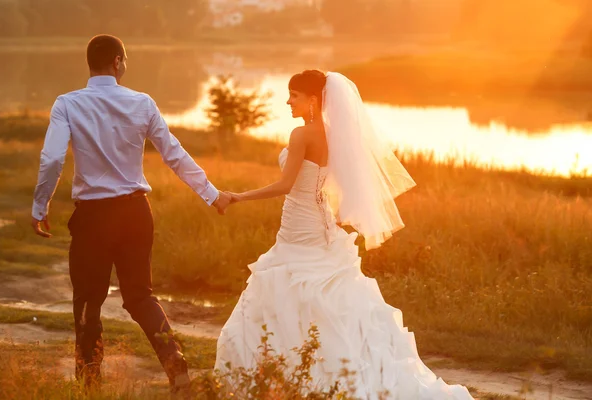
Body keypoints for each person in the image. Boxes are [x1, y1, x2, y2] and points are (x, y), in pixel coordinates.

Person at [215, 70, 474, 399]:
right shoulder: (336, 134)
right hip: (320, 225)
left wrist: (237, 196)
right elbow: (332, 183)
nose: (287, 101)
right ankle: (309, 368)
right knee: (315, 295)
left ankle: (286, 372)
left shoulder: (301, 135)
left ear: (312, 100)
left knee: (288, 288)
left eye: (294, 95)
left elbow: (285, 186)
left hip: (300, 229)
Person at [30, 34, 231, 398]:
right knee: (140, 296)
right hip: (135, 212)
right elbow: (173, 153)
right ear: (118, 63)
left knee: (88, 298)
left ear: (90, 64)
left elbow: (53, 158)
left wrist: (39, 206)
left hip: (92, 217)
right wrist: (212, 194)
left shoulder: (67, 104)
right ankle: (175, 364)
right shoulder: (142, 102)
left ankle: (89, 383)